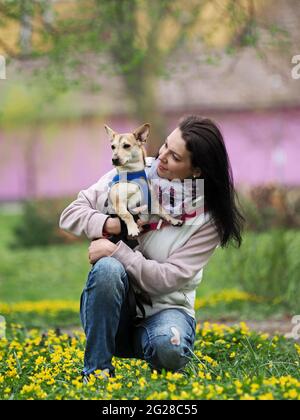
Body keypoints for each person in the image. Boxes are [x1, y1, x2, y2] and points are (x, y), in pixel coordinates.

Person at [59, 115, 245, 379]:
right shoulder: (132, 170)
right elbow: (70, 214)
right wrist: (113, 226)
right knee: (108, 271)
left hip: (166, 310)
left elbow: (166, 279)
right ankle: (97, 370)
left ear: (196, 171)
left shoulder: (206, 218)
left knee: (168, 349)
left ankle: (154, 344)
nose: (162, 157)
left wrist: (116, 251)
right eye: (166, 145)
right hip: (114, 308)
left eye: (175, 157)